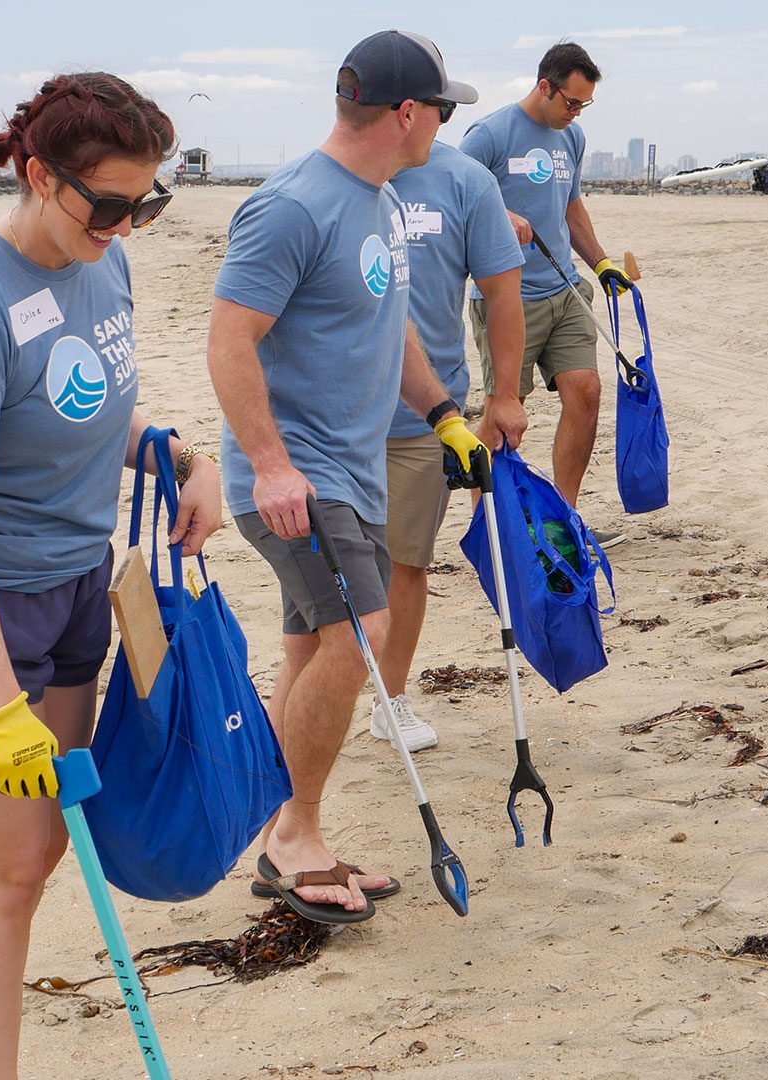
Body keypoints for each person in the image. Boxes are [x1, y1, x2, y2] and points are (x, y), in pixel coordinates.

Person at [0, 73, 222, 1080]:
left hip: (79, 588)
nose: (124, 226)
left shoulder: (99, 264)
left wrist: (173, 453)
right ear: (37, 174)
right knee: (8, 867)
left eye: (145, 204)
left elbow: (88, 411)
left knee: (40, 853)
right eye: (107, 203)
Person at [206, 30, 486, 924]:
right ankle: (298, 837)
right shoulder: (292, 206)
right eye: (441, 110)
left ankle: (283, 832)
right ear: (407, 113)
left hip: (351, 472)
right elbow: (228, 343)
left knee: (310, 648)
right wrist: (274, 465)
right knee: (358, 629)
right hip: (297, 479)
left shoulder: (381, 200)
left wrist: (443, 412)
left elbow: (387, 318)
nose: (444, 124)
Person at [373, 140, 526, 752]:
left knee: (406, 562)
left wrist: (504, 396)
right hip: (331, 422)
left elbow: (502, 294)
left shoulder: (468, 182)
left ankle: (391, 698)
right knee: (328, 571)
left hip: (424, 415)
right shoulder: (341, 178)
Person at [459, 41, 632, 547]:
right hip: (506, 299)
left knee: (587, 391)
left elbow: (571, 207)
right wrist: (498, 215)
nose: (577, 113)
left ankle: (563, 522)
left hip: (564, 290)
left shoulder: (571, 138)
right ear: (544, 86)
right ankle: (486, 530)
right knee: (501, 416)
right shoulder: (488, 136)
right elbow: (452, 198)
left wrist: (600, 263)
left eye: (585, 105)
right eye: (572, 102)